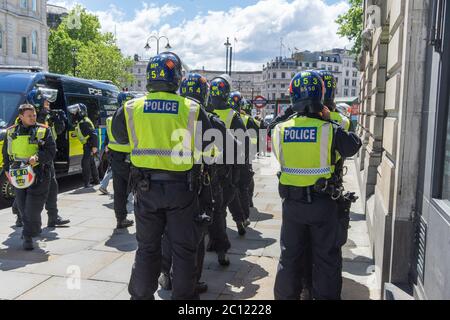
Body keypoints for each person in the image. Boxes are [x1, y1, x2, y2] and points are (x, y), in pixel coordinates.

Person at [111, 52, 213, 300]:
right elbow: (210, 147)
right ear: (177, 77)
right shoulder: (191, 108)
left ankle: (140, 296)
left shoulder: (130, 107)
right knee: (184, 250)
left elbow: (119, 143)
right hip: (182, 190)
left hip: (145, 189)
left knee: (147, 248)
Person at [272, 70, 362, 300]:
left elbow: (276, 138)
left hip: (292, 205)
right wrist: (328, 117)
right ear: (321, 97)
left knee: (289, 258)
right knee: (326, 260)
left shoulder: (280, 130)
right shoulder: (329, 129)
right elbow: (353, 145)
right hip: (323, 204)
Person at [159, 73, 229, 294]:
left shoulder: (169, 114)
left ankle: (164, 273)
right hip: (197, 185)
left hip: (162, 184)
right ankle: (192, 280)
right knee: (194, 237)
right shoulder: (210, 120)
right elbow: (219, 153)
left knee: (167, 232)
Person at [12, 88, 70, 228]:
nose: (48, 104)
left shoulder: (46, 115)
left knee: (52, 189)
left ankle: (53, 217)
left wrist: (59, 122)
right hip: (28, 162)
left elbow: (54, 134)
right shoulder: (26, 118)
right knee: (24, 190)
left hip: (45, 159)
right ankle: (21, 216)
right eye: (46, 102)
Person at [3, 104, 56, 250]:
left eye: (34, 115)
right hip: (19, 175)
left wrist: (37, 158)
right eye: (29, 116)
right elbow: (6, 154)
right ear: (21, 117)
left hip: (40, 175)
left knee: (32, 207)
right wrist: (7, 171)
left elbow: (51, 152)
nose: (33, 118)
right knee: (22, 205)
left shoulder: (44, 130)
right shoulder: (11, 132)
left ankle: (27, 236)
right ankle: (34, 228)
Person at [207, 75, 248, 264]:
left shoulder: (203, 111)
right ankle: (222, 247)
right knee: (222, 207)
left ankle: (213, 240)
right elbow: (243, 146)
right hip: (226, 169)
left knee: (211, 207)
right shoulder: (233, 116)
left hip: (205, 167)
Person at [105, 91, 135, 229]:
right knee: (138, 189)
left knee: (119, 191)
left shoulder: (111, 118)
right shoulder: (134, 118)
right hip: (131, 158)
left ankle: (120, 219)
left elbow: (107, 139)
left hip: (116, 158)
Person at [67, 103, 99, 188]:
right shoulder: (82, 121)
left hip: (89, 145)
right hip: (88, 145)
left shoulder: (84, 122)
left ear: (81, 112)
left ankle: (87, 183)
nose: (74, 114)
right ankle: (97, 181)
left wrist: (94, 147)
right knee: (91, 164)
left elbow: (94, 134)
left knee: (85, 164)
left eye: (75, 112)